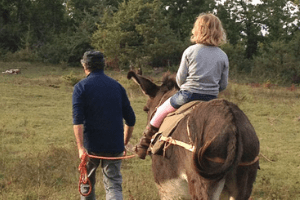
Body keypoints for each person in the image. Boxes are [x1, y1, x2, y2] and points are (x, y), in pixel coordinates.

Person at [133, 13, 229, 159]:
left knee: (160, 111)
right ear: (219, 32)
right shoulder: (223, 55)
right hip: (211, 99)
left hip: (188, 95)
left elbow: (180, 79)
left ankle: (143, 144)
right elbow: (223, 84)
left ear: (197, 30)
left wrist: (186, 87)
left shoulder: (190, 51)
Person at [72, 50, 136, 200]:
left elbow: (77, 120)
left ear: (84, 65)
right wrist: (124, 143)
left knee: (86, 184)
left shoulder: (80, 87)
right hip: (114, 145)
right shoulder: (118, 87)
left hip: (90, 147)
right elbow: (131, 120)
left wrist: (81, 148)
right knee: (113, 185)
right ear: (104, 65)